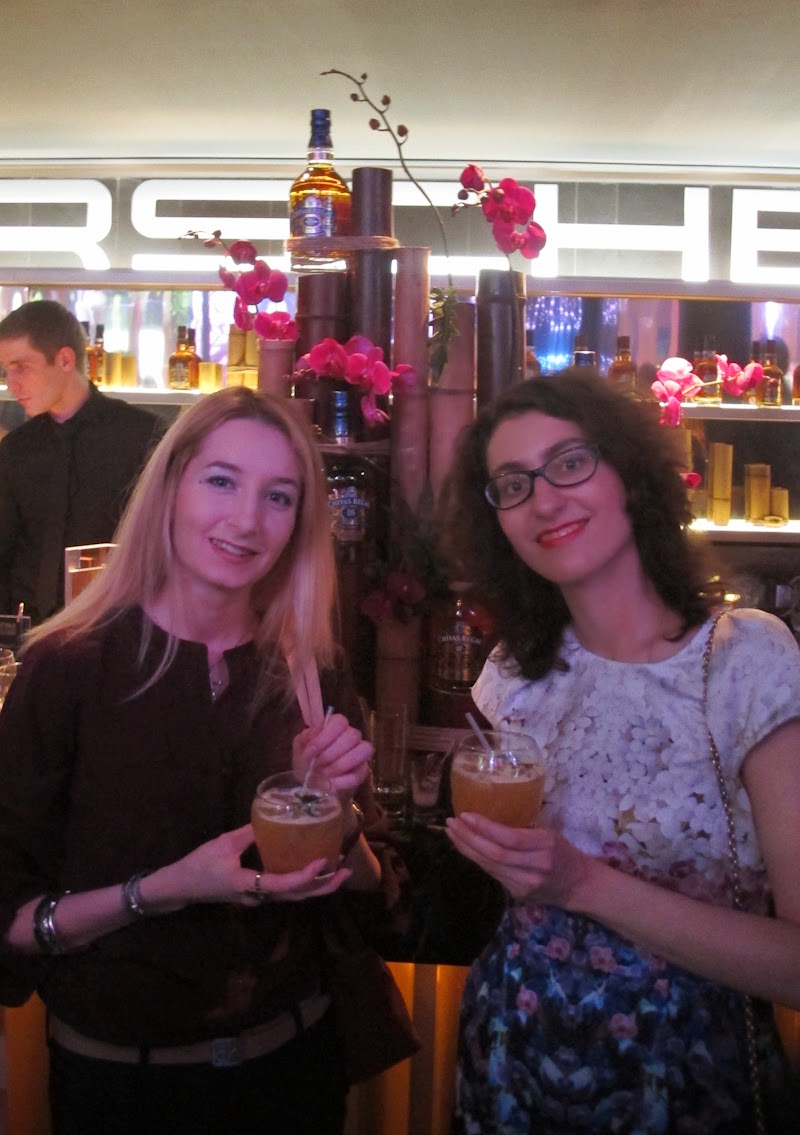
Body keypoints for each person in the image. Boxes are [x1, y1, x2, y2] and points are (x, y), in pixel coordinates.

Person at [0, 386, 384, 1135]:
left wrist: (334, 812)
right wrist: (164, 890)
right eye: (222, 481)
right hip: (121, 1088)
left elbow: (371, 897)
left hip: (294, 1073)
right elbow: (11, 920)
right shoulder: (68, 668)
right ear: (170, 487)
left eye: (278, 497)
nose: (247, 520)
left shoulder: (311, 670)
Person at [438, 371, 800, 1134]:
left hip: (685, 1076)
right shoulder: (513, 674)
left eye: (570, 462)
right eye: (513, 484)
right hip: (510, 1057)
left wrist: (583, 884)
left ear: (631, 475)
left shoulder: (744, 661)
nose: (544, 500)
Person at [0, 299, 164, 623]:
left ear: (65, 360)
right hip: (25, 632)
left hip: (116, 629)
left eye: (21, 367)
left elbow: (163, 548)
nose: (11, 383)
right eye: (6, 370)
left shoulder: (143, 437)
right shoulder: (16, 449)